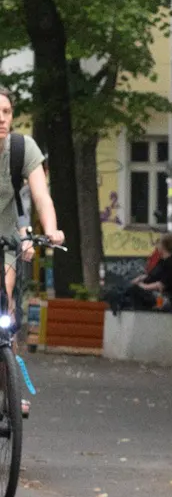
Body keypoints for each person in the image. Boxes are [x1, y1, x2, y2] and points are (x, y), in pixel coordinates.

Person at [1, 87, 67, 415]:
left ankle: (9, 387)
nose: (1, 119)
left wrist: (50, 230)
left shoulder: (21, 148)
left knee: (5, 300)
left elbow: (41, 196)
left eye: (6, 112)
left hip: (5, 240)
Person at [116, 233, 172, 312]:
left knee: (134, 290)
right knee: (123, 288)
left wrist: (141, 286)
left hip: (163, 299)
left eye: (159, 243)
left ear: (163, 246)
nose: (157, 245)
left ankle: (139, 314)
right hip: (153, 292)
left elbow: (160, 286)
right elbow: (151, 275)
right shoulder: (162, 261)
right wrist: (139, 279)